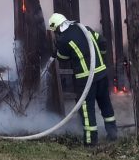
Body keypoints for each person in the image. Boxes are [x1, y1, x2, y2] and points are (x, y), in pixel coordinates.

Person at [48, 13, 118, 146]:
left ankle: (90, 141)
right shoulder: (85, 28)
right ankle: (113, 134)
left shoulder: (63, 40)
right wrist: (100, 59)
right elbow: (102, 41)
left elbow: (62, 59)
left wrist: (57, 50)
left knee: (87, 110)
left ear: (57, 28)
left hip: (86, 79)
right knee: (106, 104)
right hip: (102, 74)